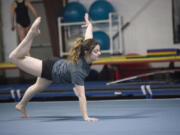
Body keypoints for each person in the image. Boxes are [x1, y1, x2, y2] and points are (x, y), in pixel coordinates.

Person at [9, 13, 101, 122]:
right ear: (87, 52)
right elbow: (81, 96)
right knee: (14, 57)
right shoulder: (78, 71)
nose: (99, 53)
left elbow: (89, 36)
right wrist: (86, 117)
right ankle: (31, 34)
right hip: (50, 68)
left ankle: (21, 105)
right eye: (96, 51)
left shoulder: (86, 53)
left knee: (38, 87)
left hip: (56, 68)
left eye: (99, 50)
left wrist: (89, 25)